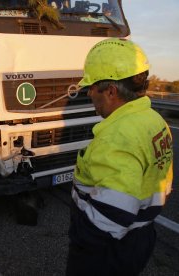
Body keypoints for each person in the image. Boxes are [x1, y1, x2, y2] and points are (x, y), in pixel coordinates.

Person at [66, 38, 173, 276]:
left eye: (92, 87)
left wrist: (80, 236)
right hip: (141, 234)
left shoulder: (118, 136)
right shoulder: (154, 121)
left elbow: (111, 217)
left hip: (107, 250)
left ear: (111, 91)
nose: (89, 94)